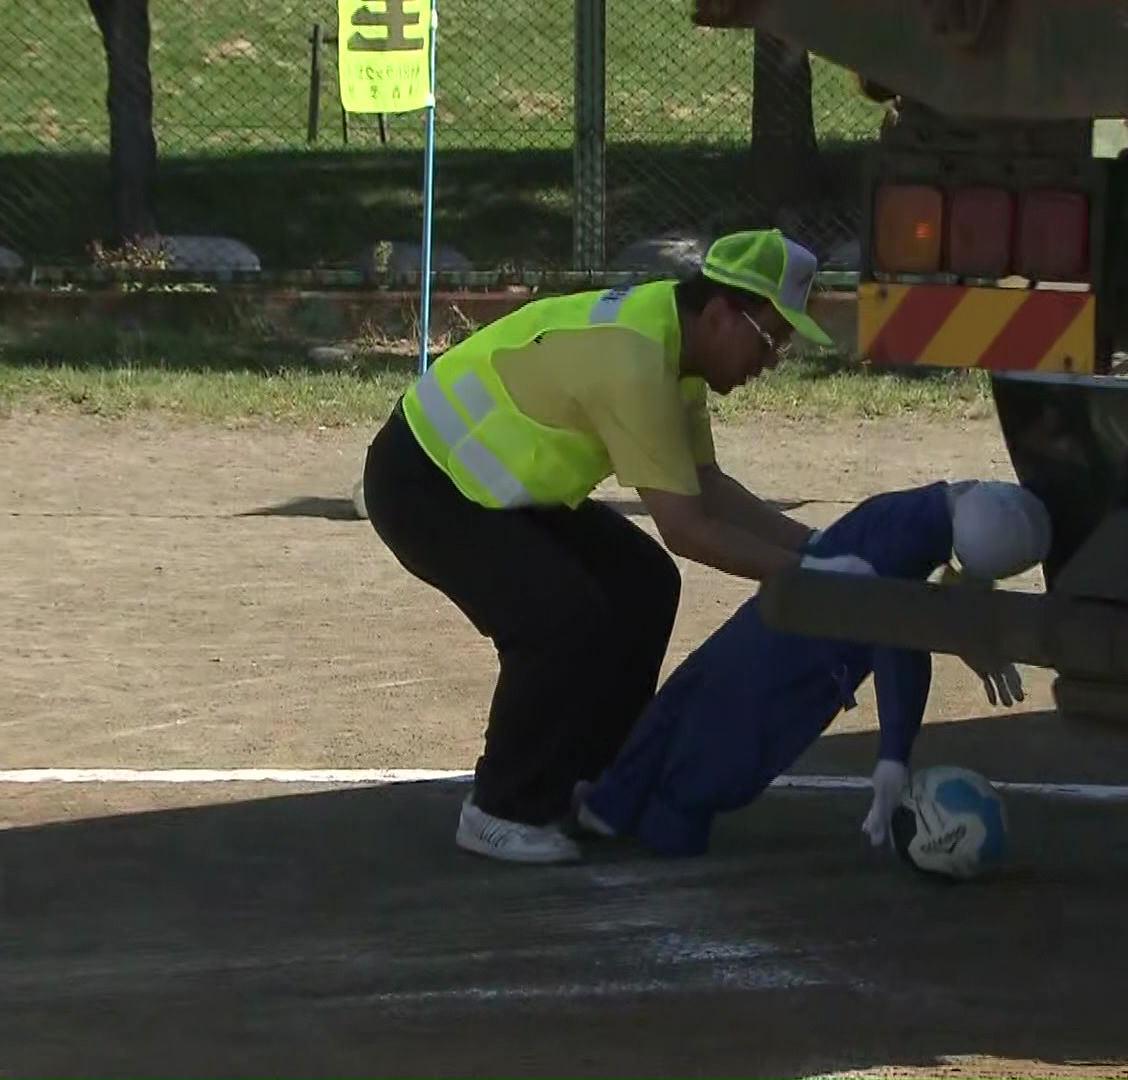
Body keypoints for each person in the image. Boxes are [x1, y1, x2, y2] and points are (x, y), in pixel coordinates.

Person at [360, 228, 871, 865]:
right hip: (423, 483)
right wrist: (813, 576)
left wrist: (823, 548)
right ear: (718, 313)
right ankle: (501, 809)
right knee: (559, 616)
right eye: (771, 339)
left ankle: (599, 782)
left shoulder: (673, 346)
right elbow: (686, 528)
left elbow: (707, 489)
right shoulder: (636, 358)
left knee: (644, 581)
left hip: (493, 488)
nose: (770, 361)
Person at [571, 479, 1052, 858]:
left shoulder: (925, 509)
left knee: (687, 704)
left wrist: (965, 634)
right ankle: (656, 822)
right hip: (799, 666)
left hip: (768, 633)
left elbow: (928, 605)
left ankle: (611, 805)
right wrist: (892, 756)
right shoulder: (901, 548)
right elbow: (901, 644)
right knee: (724, 755)